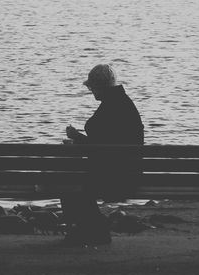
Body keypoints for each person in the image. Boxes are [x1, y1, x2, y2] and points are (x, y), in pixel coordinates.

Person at [62, 64, 144, 246]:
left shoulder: (112, 107)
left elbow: (100, 148)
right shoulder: (122, 103)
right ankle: (90, 228)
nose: (91, 91)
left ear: (100, 87)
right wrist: (80, 139)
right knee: (71, 180)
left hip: (115, 176)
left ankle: (92, 228)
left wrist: (77, 138)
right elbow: (106, 146)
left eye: (92, 87)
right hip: (127, 171)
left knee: (68, 182)